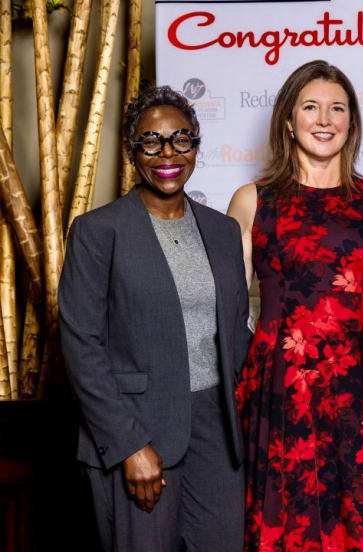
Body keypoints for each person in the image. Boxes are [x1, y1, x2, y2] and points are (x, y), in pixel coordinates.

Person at [227, 60, 363, 551]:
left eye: (337, 108)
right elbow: (220, 313)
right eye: (310, 107)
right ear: (289, 120)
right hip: (279, 391)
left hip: (362, 392)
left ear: (351, 122)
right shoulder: (252, 201)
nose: (324, 119)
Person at [59, 85, 251, 551]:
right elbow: (81, 344)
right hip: (138, 430)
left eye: (180, 139)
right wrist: (127, 445)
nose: (168, 153)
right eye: (152, 141)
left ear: (195, 146)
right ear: (132, 151)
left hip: (216, 433)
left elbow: (236, 330)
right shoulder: (97, 231)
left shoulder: (223, 231)